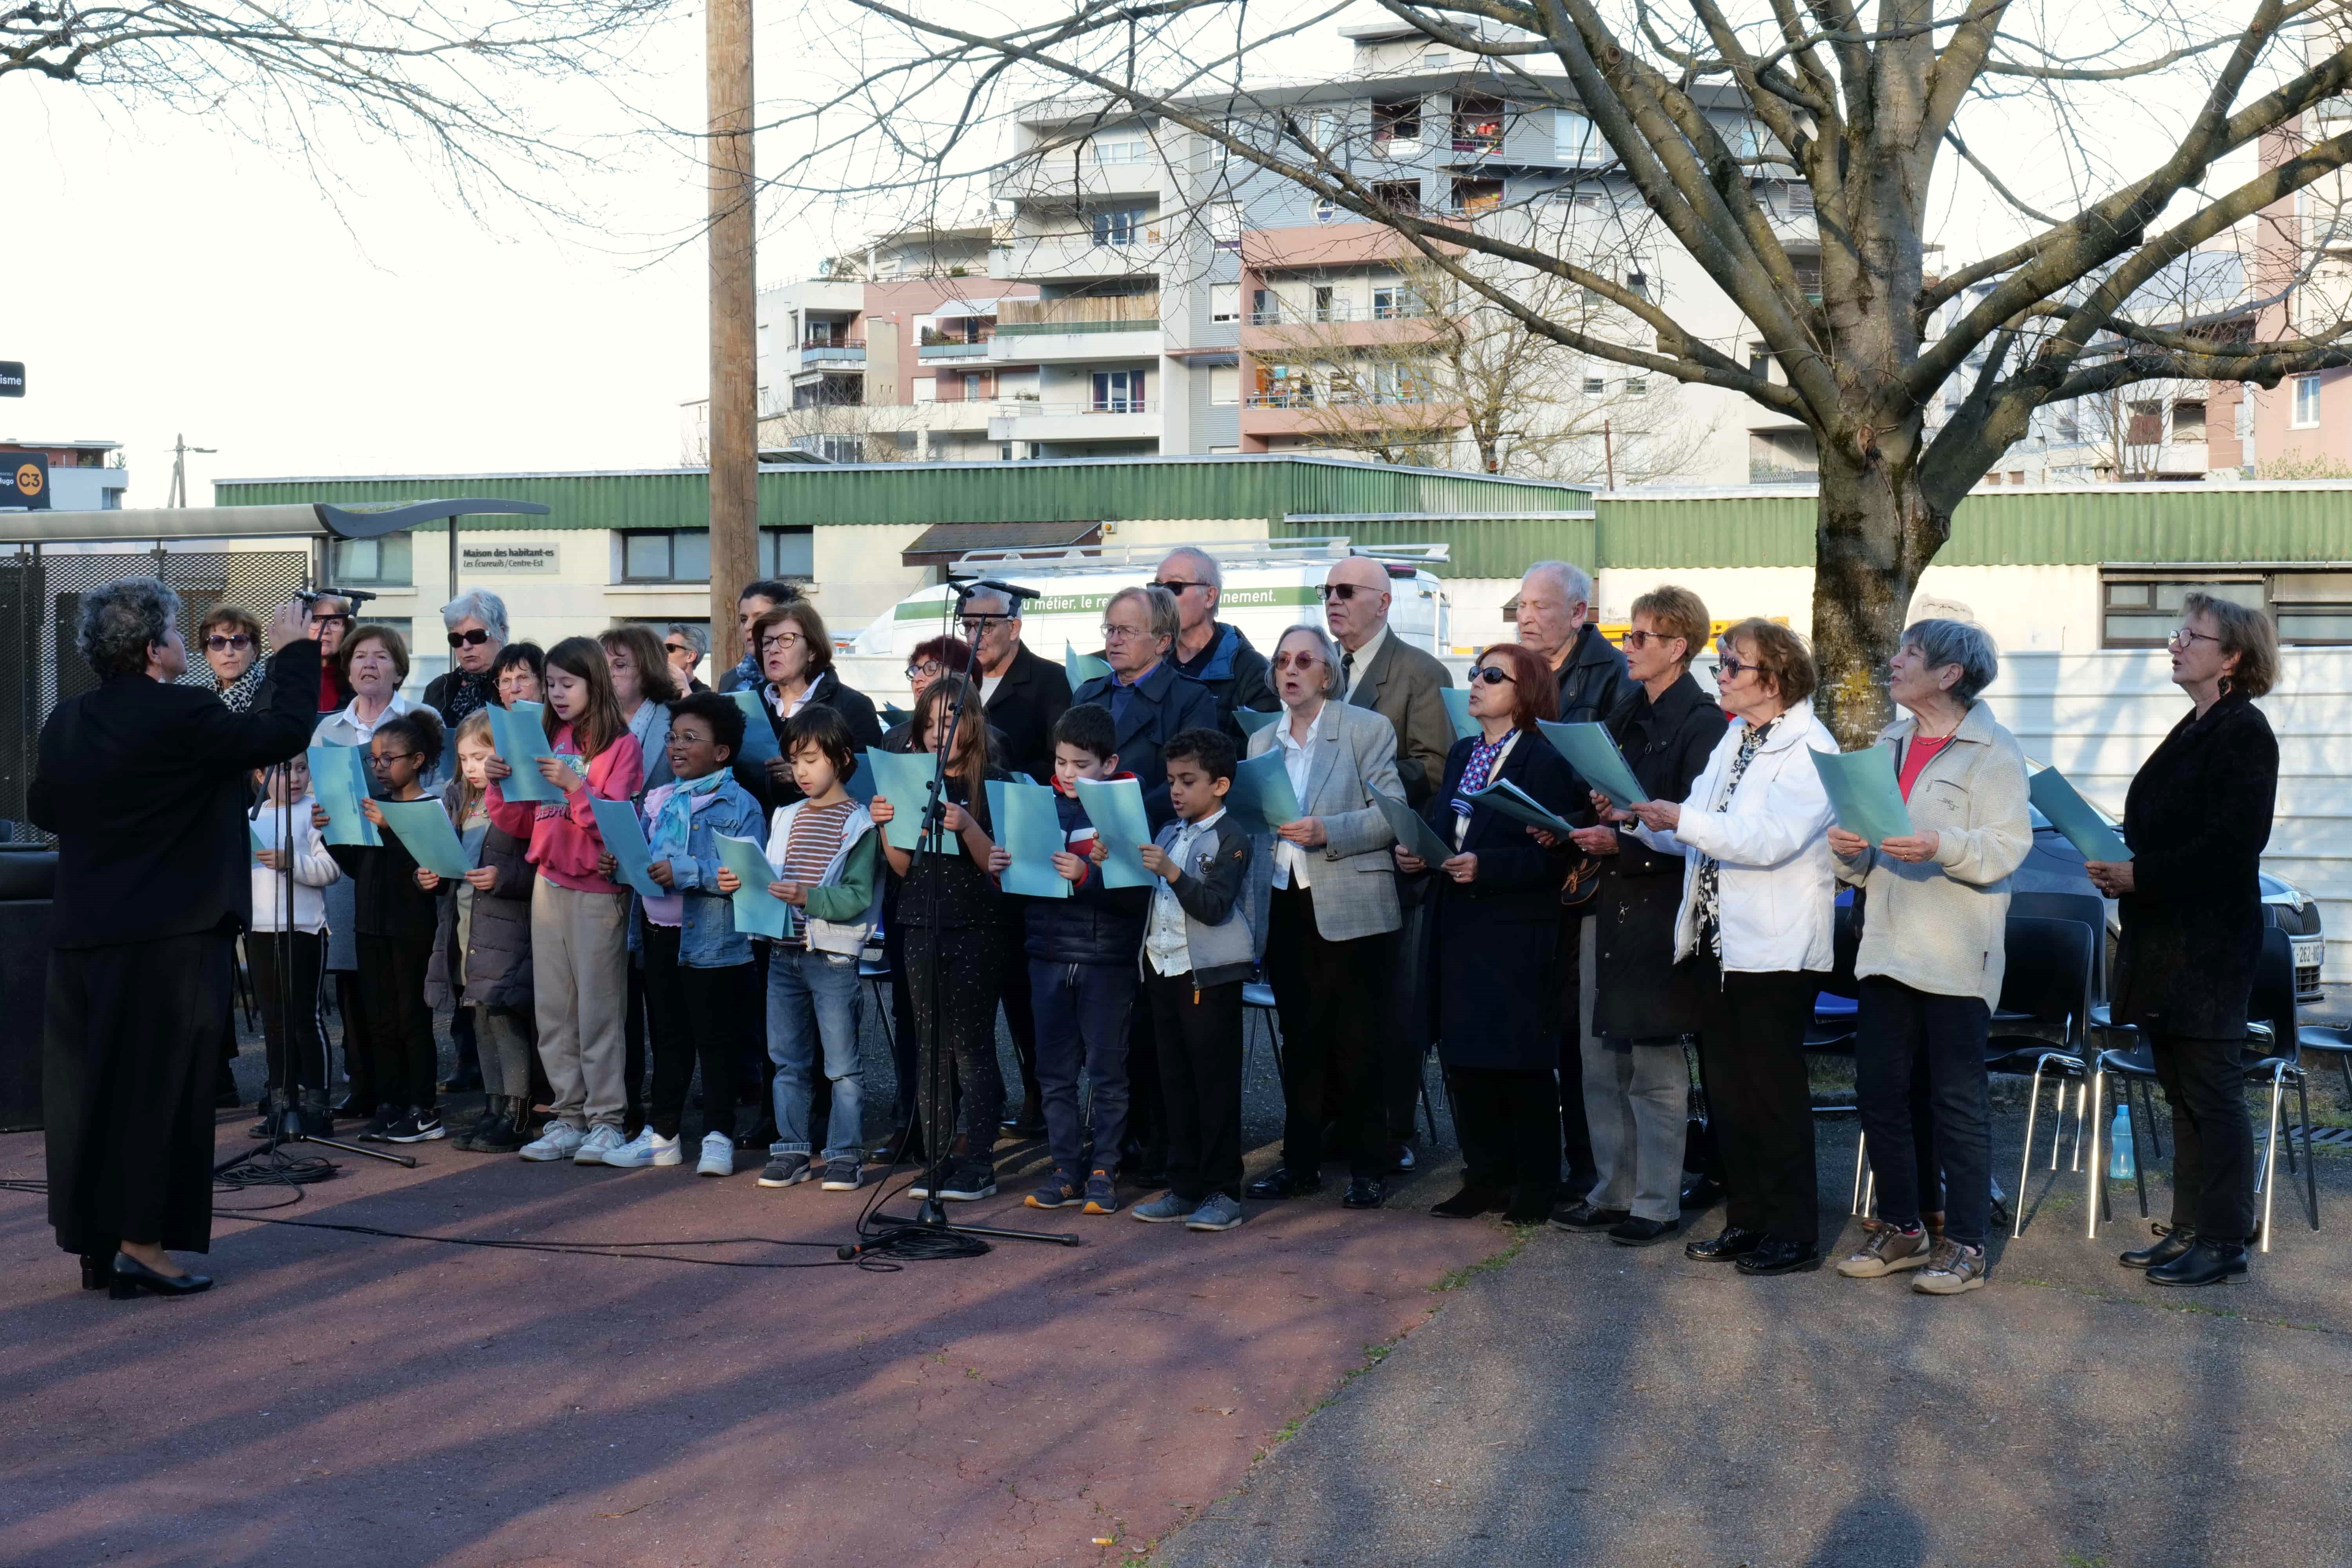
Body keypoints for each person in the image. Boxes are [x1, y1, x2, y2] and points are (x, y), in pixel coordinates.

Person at [34, 581, 320, 1298]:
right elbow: (280, 732)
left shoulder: (67, 720)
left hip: (85, 935)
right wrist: (292, 654)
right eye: (175, 633)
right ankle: (142, 1244)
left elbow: (46, 806)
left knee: (93, 1092)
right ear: (155, 647)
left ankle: (97, 1245)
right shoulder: (184, 711)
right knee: (160, 1091)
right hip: (170, 937)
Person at [1617, 618, 1837, 1276]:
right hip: (1716, 942)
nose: (1723, 678)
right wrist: (1640, 818)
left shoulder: (1809, 747)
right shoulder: (1737, 737)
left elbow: (1765, 839)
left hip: (1774, 948)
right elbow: (1698, 829)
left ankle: (1793, 1231)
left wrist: (1678, 818)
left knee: (1773, 1092)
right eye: (1721, 666)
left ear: (1775, 678)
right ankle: (1748, 1218)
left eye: (1734, 667)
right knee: (1727, 1093)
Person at [1828, 619, 2030, 1296]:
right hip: (1885, 947)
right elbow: (1860, 866)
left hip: (1954, 954)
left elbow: (2006, 850)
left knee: (1956, 1102)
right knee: (1880, 1094)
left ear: (1949, 674)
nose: (1894, 661)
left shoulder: (1993, 752)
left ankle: (1968, 1243)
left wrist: (1941, 843)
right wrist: (1848, 848)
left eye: (1910, 653)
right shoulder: (1885, 743)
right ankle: (1904, 1229)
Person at [2086, 593, 2282, 1288]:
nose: (2174, 645)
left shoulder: (2244, 731)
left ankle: (2225, 1238)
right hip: (2166, 940)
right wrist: (2122, 870)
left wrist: (2140, 874)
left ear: (2231, 657)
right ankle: (2191, 1227)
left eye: (2190, 636)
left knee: (2212, 1094)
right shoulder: (2194, 726)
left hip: (2208, 948)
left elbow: (2234, 845)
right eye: (2178, 633)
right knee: (2181, 1093)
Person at [1551, 586, 1727, 1243]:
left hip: (1660, 905)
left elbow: (1696, 829)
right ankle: (1611, 1189)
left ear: (1677, 648)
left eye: (1641, 638)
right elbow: (1618, 797)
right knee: (1601, 1058)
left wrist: (1620, 833)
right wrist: (1590, 812)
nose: (1628, 647)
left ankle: (1656, 1200)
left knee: (1653, 1062)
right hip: (1610, 897)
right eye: (1628, 636)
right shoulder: (1627, 708)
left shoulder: (1702, 723)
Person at [1397, 642, 1577, 1224]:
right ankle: (1484, 1176)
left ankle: (1536, 1183)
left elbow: (1557, 854)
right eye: (1475, 672)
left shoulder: (1546, 760)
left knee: (1519, 1062)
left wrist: (1490, 866)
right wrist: (1418, 850)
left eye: (1492, 675)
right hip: (1458, 921)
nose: (1475, 682)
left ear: (1525, 692)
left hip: (1515, 930)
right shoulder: (1466, 752)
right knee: (1465, 1060)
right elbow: (1450, 827)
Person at [1241, 624, 1404, 1210]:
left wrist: (1325, 830)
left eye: (1304, 660)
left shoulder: (1365, 729)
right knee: (1301, 1039)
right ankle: (1300, 1163)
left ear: (1328, 673)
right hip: (1285, 900)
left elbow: (1392, 817)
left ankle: (1369, 1166)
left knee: (1358, 1040)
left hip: (1352, 903)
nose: (1290, 669)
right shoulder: (1262, 742)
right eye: (1282, 660)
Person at [486, 635, 646, 1166]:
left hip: (597, 890)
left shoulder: (619, 744)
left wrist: (576, 788)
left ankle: (607, 1121)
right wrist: (498, 784)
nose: (556, 693)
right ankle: (567, 1116)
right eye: (550, 683)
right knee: (554, 1010)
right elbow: (519, 820)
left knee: (599, 1008)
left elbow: (615, 826)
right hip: (548, 883)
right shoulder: (549, 736)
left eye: (567, 683)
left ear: (593, 683)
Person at [597, 691, 768, 1176]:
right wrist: (620, 865)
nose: (676, 746)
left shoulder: (740, 804)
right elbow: (646, 861)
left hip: (712, 942)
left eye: (691, 739)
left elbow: (745, 876)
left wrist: (687, 871)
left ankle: (718, 1135)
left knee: (716, 1041)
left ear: (722, 752)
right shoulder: (659, 798)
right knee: (667, 1038)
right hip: (657, 933)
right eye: (673, 737)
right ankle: (663, 1134)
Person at [1326, 550, 1457, 1172]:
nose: (1334, 600)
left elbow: (1436, 768)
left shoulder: (1419, 673)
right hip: (1326, 864)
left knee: (1394, 1007)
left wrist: (1358, 769)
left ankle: (1394, 1130)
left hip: (1391, 862)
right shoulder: (1320, 668)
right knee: (1335, 1005)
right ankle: (1337, 1123)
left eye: (1348, 590)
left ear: (1384, 603)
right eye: (1328, 590)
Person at [990, 703, 1149, 1214]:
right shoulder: (1038, 804)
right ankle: (1065, 1169)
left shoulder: (1126, 807)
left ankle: (1105, 1168)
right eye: (1061, 763)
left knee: (1107, 1070)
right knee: (1053, 1072)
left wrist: (1085, 876)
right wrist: (1000, 869)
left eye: (1081, 765)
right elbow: (1023, 886)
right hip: (1048, 951)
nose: (1068, 774)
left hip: (1106, 957)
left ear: (1109, 762)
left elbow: (1136, 894)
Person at [1517, 559, 1631, 1218]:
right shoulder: (1522, 669)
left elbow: (1607, 773)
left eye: (1541, 606)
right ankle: (1560, 1159)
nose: (1527, 617)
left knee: (1579, 1027)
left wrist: (1568, 824)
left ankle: (1593, 1168)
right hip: (1532, 862)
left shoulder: (1608, 677)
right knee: (1547, 1023)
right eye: (1522, 606)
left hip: (1586, 871)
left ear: (1578, 614)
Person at [873, 674, 1014, 1203]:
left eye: (949, 721)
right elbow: (903, 867)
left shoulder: (996, 784)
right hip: (919, 919)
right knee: (930, 1047)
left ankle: (978, 1160)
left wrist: (966, 827)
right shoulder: (914, 782)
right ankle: (936, 1159)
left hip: (979, 925)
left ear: (973, 724)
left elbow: (999, 869)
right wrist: (887, 826)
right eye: (928, 723)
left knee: (971, 1045)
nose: (938, 733)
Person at [1123, 728, 1265, 1233]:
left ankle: (1223, 1191)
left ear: (1221, 785)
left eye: (1188, 781)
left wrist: (1172, 873)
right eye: (1171, 780)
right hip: (1163, 968)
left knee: (1214, 1086)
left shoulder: (1233, 838)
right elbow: (1148, 891)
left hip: (1209, 975)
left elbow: (1213, 905)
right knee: (1174, 1084)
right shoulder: (1168, 831)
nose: (1176, 790)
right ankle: (1183, 1187)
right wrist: (1116, 863)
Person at [742, 704, 884, 1192]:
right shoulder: (785, 816)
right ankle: (792, 1149)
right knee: (787, 1060)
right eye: (795, 760)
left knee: (842, 1065)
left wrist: (807, 897)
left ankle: (845, 1153)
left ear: (843, 759)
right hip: (783, 952)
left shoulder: (861, 824)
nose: (801, 771)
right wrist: (737, 882)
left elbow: (858, 896)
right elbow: (768, 879)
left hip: (833, 958)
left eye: (812, 760)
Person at [320, 709, 449, 1143]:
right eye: (373, 760)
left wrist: (391, 829)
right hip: (370, 926)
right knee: (379, 1019)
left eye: (387, 759)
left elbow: (435, 871)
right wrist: (332, 834)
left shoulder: (428, 806)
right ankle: (390, 1102)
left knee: (411, 1017)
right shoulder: (378, 809)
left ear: (416, 760)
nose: (378, 767)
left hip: (410, 928)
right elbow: (361, 867)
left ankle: (423, 1106)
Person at [311, 624, 420, 1118]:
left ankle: (406, 1089)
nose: (369, 664)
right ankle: (362, 1082)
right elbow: (314, 791)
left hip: (400, 872)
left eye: (381, 656)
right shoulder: (328, 728)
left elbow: (436, 791)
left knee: (401, 989)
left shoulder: (421, 720)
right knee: (352, 979)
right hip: (346, 863)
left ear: (399, 667)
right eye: (359, 656)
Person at [423, 711, 538, 1154]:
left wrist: (503, 878)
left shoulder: (516, 799)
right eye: (465, 757)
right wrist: (430, 874)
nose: (472, 766)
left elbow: (536, 868)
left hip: (506, 929)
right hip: (466, 927)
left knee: (504, 1019)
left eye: (481, 755)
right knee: (481, 1020)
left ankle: (518, 1112)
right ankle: (494, 1108)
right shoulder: (459, 800)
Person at [246, 753, 343, 1138]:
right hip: (260, 929)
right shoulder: (250, 817)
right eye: (283, 770)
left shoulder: (313, 813)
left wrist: (292, 862)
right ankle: (282, 1103)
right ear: (260, 775)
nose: (295, 777)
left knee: (305, 1018)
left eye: (301, 768)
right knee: (273, 1021)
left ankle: (319, 1105)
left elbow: (331, 870)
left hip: (304, 929)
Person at [1070, 584, 1220, 830]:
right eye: (1111, 630)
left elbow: (1191, 781)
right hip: (1080, 832)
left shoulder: (1191, 699)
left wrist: (1125, 814)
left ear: (1162, 642)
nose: (1115, 640)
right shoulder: (1087, 694)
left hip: (1152, 835)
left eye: (1127, 631)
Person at [751, 599, 885, 808]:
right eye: (767, 642)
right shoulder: (751, 702)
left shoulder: (852, 706)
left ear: (812, 651)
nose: (773, 649)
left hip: (825, 829)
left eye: (786, 639)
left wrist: (801, 774)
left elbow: (866, 781)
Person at [1152, 547, 1274, 735]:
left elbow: (1259, 752)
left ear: (1209, 597)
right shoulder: (1150, 663)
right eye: (1157, 586)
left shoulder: (1250, 671)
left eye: (1174, 587)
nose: (1162, 597)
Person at [961, 583, 1072, 784]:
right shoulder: (958, 680)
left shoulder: (1052, 680)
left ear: (1013, 628)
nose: (972, 638)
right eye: (968, 626)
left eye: (984, 626)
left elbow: (1059, 761)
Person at [604, 624, 681, 794]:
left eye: (619, 666)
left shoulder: (676, 720)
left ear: (648, 669)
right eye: (604, 666)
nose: (608, 675)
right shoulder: (591, 720)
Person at [423, 589, 508, 726]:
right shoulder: (438, 689)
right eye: (456, 639)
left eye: (475, 636)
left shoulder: (517, 685)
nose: (466, 646)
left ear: (500, 634)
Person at [717, 578, 802, 694]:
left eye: (760, 618)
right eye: (744, 619)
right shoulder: (730, 680)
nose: (748, 626)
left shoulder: (804, 679)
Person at [200, 605, 269, 711]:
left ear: (254, 652)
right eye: (218, 642)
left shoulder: (273, 699)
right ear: (207, 655)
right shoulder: (203, 701)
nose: (229, 652)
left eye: (239, 641)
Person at [311, 593, 356, 713]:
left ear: (347, 631)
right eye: (315, 621)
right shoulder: (283, 673)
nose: (325, 630)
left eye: (335, 623)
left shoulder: (358, 676)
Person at [493, 641, 546, 708]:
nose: (514, 690)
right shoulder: (483, 718)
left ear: (544, 685)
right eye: (506, 681)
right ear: (500, 693)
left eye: (523, 678)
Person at [664, 622, 711, 693]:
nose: (663, 653)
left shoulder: (706, 697)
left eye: (670, 648)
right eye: (662, 648)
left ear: (691, 656)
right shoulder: (658, 693)